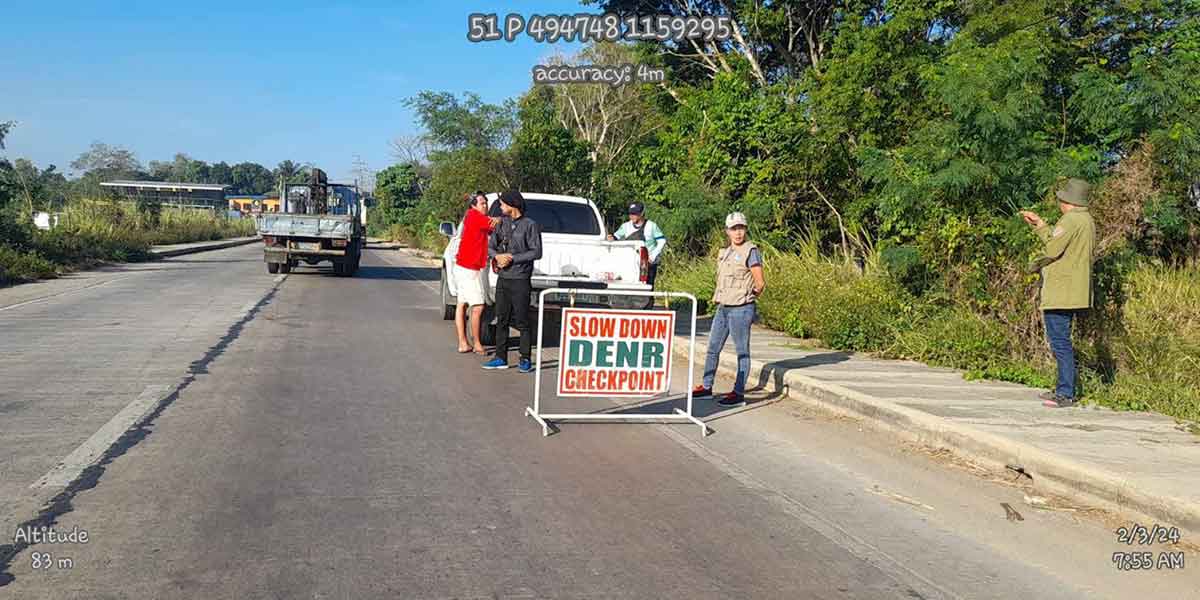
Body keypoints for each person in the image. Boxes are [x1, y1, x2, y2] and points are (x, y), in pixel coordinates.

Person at [1019, 178, 1096, 408]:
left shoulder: (1070, 220)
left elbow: (1052, 248)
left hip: (1062, 290)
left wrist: (1034, 264)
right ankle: (1063, 388)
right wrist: (1041, 224)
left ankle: (1065, 393)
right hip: (1077, 290)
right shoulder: (1086, 220)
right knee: (1063, 340)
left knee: (1060, 342)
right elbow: (1060, 242)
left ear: (1067, 201)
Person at [693, 212, 766, 407]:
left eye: (741, 228)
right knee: (712, 349)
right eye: (734, 229)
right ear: (727, 231)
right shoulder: (725, 252)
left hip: (741, 309)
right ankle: (707, 387)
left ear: (746, 229)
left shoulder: (751, 251)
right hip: (723, 307)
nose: (738, 232)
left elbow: (760, 283)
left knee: (742, 352)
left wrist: (748, 299)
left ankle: (738, 393)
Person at [482, 191, 543, 373]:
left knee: (522, 320)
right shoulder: (502, 224)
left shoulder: (530, 225)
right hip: (503, 279)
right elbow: (491, 246)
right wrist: (498, 256)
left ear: (512, 204)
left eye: (502, 204)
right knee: (502, 319)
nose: (500, 208)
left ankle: (525, 359)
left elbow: (536, 252)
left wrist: (512, 258)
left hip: (521, 279)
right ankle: (500, 357)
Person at [453, 192, 499, 354]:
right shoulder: (475, 216)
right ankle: (477, 343)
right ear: (473, 205)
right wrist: (505, 217)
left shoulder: (470, 216)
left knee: (461, 304)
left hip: (464, 266)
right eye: (482, 203)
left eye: (486, 202)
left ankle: (463, 342)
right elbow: (494, 225)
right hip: (470, 269)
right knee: (478, 306)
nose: (485, 205)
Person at [608, 202, 667, 287]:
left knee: (648, 287)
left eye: (635, 214)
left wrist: (652, 256)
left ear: (642, 213)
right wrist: (611, 237)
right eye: (630, 214)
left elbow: (662, 241)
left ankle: (650, 299)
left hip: (647, 264)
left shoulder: (651, 226)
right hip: (631, 263)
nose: (632, 216)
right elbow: (615, 236)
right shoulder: (626, 226)